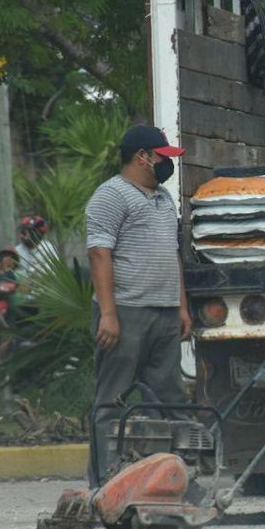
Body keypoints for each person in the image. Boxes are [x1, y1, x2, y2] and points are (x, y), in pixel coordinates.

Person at [85, 125, 192, 487]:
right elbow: (100, 253)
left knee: (170, 401)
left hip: (163, 312)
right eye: (163, 157)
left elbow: (172, 255)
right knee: (111, 399)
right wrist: (109, 314)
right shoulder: (110, 196)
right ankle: (104, 483)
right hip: (127, 312)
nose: (167, 165)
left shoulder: (164, 199)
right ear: (142, 157)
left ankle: (171, 480)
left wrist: (181, 307)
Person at [15, 215, 59, 280]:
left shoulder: (49, 249)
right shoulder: (18, 250)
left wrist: (31, 280)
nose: (21, 236)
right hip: (21, 288)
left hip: (44, 288)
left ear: (36, 233)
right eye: (22, 232)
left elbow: (52, 272)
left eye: (24, 232)